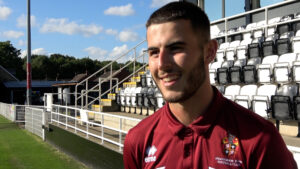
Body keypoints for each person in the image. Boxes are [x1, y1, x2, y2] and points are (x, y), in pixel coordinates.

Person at [123, 1, 297, 169]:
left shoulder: (261, 139)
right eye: (154, 52)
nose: (161, 64)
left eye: (176, 48)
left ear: (209, 52)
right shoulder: (138, 139)